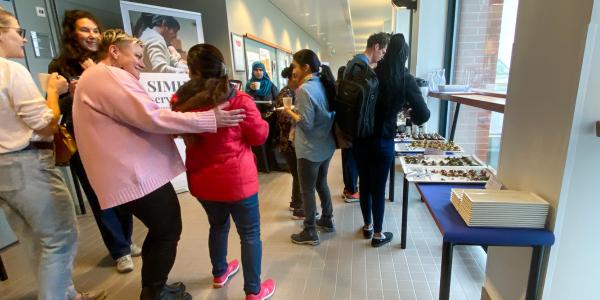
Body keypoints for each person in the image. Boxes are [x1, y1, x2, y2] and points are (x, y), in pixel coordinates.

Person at [72, 29, 246, 299]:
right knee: (168, 228)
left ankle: (155, 286)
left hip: (131, 171)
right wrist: (208, 120)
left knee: (163, 227)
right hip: (132, 173)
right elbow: (150, 117)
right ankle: (154, 292)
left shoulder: (98, 77)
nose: (142, 63)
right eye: (138, 56)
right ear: (114, 52)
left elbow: (137, 120)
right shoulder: (108, 76)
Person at [0, 9, 105, 300]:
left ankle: (67, 294)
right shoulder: (10, 71)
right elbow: (46, 125)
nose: (22, 39)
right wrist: (52, 91)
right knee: (59, 239)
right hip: (27, 164)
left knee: (35, 239)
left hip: (4, 171)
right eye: (18, 32)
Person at [171, 43, 276, 300]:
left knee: (217, 226)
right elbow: (259, 136)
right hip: (238, 182)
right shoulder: (239, 100)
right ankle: (253, 291)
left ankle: (219, 272)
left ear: (192, 70)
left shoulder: (181, 101)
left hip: (202, 181)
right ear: (221, 68)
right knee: (249, 234)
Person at [48, 9, 141, 274]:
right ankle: (119, 250)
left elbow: (127, 93)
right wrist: (74, 93)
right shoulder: (59, 66)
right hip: (82, 139)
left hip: (115, 137)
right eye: (84, 30)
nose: (91, 35)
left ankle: (127, 238)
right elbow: (56, 104)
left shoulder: (109, 60)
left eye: (95, 30)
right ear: (72, 34)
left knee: (124, 190)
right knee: (100, 195)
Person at [354, 33, 430, 247]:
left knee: (365, 184)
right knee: (379, 188)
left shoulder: (372, 72)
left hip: (361, 138)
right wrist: (409, 112)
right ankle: (378, 235)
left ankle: (367, 226)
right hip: (383, 141)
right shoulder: (405, 79)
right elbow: (423, 115)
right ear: (404, 54)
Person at [284, 49, 337, 246]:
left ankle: (310, 230)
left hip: (309, 149)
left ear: (305, 67)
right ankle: (327, 219)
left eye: (295, 66)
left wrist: (290, 112)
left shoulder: (305, 90)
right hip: (325, 145)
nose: (293, 70)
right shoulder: (323, 83)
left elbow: (306, 123)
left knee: (307, 189)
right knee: (321, 183)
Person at [341, 32, 391, 203]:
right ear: (376, 46)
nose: (383, 56)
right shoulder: (360, 67)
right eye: (383, 52)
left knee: (350, 156)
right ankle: (352, 190)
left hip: (350, 121)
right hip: (354, 124)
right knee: (352, 156)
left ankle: (350, 188)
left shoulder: (356, 63)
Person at [275, 65, 303, 218]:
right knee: (298, 174)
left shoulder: (293, 92)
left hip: (291, 140)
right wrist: (297, 114)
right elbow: (284, 119)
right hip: (289, 141)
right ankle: (299, 208)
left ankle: (295, 202)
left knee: (297, 174)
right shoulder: (286, 93)